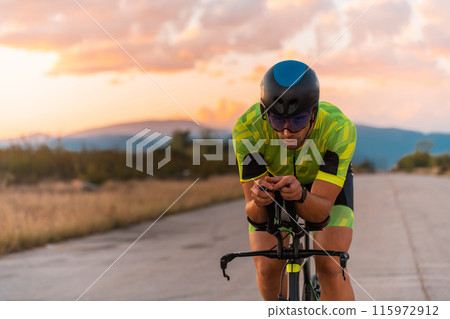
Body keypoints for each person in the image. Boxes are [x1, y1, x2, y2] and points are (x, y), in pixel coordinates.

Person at [232, 60, 356, 301]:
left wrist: (301, 195)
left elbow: (319, 214)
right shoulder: (247, 129)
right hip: (275, 186)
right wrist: (258, 201)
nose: (286, 131)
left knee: (331, 266)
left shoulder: (338, 129)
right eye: (277, 120)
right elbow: (254, 215)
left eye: (297, 120)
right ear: (264, 112)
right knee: (267, 269)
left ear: (314, 112)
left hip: (322, 187)